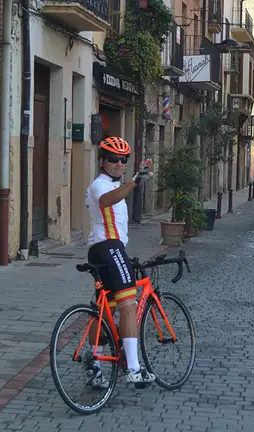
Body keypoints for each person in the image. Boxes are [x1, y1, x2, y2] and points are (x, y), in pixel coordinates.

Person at [84, 136, 155, 389]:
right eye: (113, 159)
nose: (118, 163)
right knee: (128, 304)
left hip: (103, 251)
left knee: (106, 309)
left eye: (123, 159)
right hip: (109, 248)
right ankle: (134, 369)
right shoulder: (100, 186)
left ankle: (93, 363)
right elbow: (108, 200)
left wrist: (134, 177)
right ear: (102, 161)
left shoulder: (110, 184)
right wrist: (134, 181)